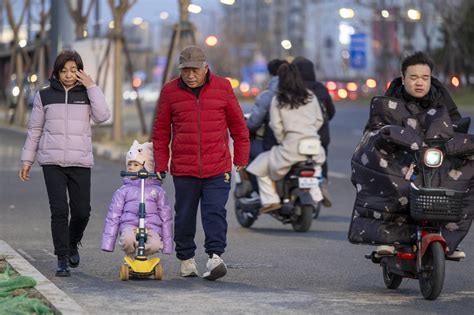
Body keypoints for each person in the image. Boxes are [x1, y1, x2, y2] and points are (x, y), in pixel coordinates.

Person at [348, 51, 470, 260]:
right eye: (413, 77)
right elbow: (376, 128)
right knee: (383, 171)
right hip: (400, 157)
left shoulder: (441, 98)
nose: (420, 82)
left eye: (425, 78)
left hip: (434, 157)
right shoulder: (389, 101)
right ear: (403, 78)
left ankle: (447, 238)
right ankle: (387, 238)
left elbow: (456, 127)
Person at [152, 45, 249, 281]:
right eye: (185, 70)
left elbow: (238, 125)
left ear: (206, 68)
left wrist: (241, 158)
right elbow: (161, 131)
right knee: (184, 214)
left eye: (195, 70)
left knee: (215, 212)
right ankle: (186, 259)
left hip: (217, 165)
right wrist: (161, 164)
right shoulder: (169, 91)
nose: (190, 75)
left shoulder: (223, 87)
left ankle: (215, 257)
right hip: (185, 168)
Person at [19, 49, 111, 277]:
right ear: (57, 72)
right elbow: (35, 129)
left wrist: (92, 86)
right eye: (64, 70)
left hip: (80, 161)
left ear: (80, 71)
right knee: (59, 211)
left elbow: (102, 116)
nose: (69, 75)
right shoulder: (45, 95)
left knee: (82, 212)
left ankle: (72, 243)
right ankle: (61, 258)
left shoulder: (87, 93)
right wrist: (27, 159)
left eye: (73, 70)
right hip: (52, 162)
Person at [246, 63, 326, 213]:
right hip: (314, 147)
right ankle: (316, 192)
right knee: (316, 168)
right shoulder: (310, 96)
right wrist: (308, 132)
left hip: (291, 148)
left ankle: (271, 200)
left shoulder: (279, 99)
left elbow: (276, 125)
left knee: (258, 166)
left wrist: (282, 139)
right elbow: (319, 120)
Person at [101, 140, 173, 258]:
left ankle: (142, 257)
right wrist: (108, 244)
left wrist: (168, 245)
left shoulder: (158, 192)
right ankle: (130, 256)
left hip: (151, 228)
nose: (131, 168)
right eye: (129, 165)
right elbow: (113, 216)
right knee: (128, 240)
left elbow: (166, 218)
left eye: (136, 165)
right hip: (130, 226)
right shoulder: (123, 191)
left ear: (148, 168)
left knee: (155, 244)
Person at [293, 57, 336, 207]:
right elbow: (331, 111)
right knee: (320, 160)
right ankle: (322, 183)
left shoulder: (292, 88)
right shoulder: (320, 88)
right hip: (320, 135)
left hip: (297, 135)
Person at [241, 59, 286, 195]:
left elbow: (254, 123)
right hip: (308, 144)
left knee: (248, 153)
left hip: (278, 144)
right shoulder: (304, 95)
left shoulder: (270, 97)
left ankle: (261, 193)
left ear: (270, 74)